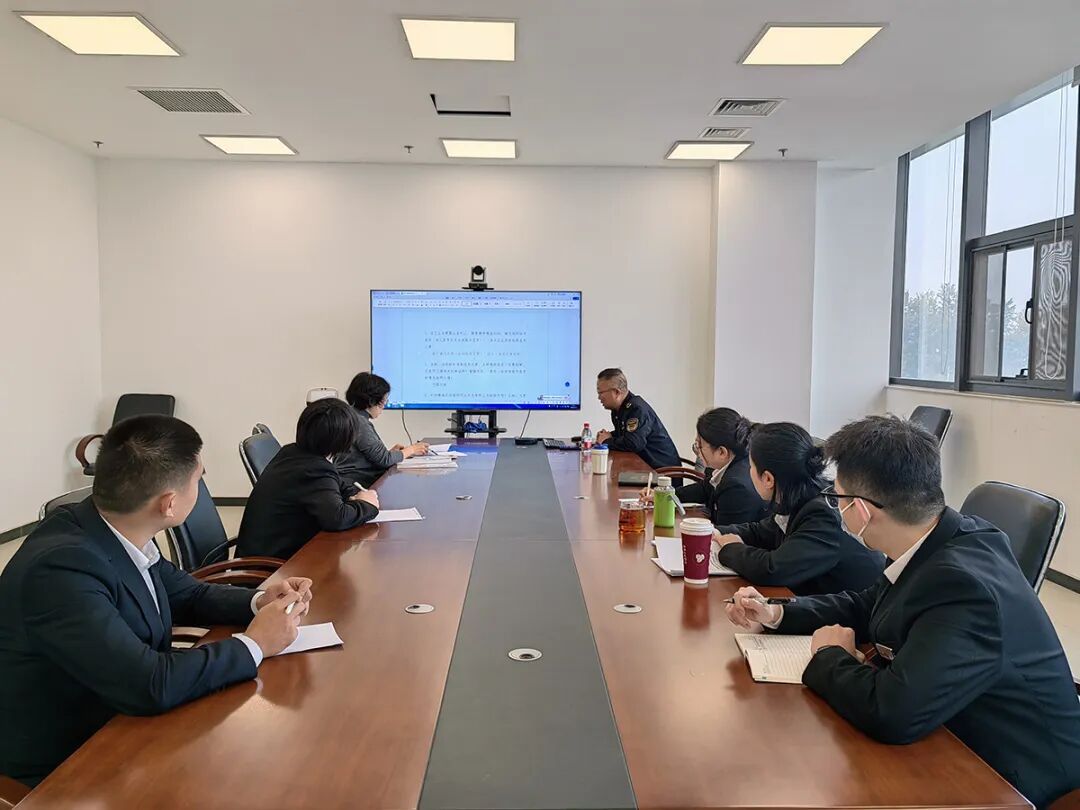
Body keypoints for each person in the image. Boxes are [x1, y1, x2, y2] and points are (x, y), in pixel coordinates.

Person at [726, 416, 1080, 809]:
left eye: (836, 497)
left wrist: (830, 655)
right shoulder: (935, 538)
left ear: (861, 510)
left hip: (1008, 778)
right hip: (947, 727)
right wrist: (776, 613)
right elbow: (866, 604)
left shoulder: (963, 587)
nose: (833, 506)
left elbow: (891, 713)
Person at [0, 415, 313, 786]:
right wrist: (256, 643)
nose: (201, 488)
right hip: (71, 762)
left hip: (123, 716)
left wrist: (258, 602)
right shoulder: (60, 570)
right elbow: (148, 684)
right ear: (169, 504)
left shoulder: (116, 526)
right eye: (198, 479)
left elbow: (188, 592)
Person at [713, 422, 885, 595]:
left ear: (768, 479)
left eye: (751, 466)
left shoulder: (823, 515)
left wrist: (732, 548)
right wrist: (713, 533)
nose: (748, 471)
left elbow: (773, 570)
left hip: (853, 609)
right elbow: (760, 532)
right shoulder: (800, 496)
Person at [237, 398, 380, 559]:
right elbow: (337, 518)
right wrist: (366, 505)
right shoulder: (314, 469)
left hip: (272, 553)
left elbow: (338, 485)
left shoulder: (293, 453)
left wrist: (355, 495)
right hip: (271, 566)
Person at [640, 407, 768, 526]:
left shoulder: (736, 486)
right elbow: (705, 488)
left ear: (722, 452)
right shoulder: (733, 463)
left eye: (699, 446)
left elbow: (726, 535)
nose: (697, 452)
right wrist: (665, 495)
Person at [336, 372, 429, 488]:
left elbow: (376, 457)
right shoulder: (359, 422)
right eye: (384, 401)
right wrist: (411, 450)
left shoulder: (351, 416)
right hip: (358, 485)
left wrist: (390, 453)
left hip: (352, 480)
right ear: (371, 401)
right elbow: (385, 460)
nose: (384, 406)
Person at [594, 368, 680, 469]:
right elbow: (627, 435)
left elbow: (634, 443)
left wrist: (607, 441)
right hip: (644, 467)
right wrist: (610, 435)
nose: (599, 397)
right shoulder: (618, 410)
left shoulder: (637, 409)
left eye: (601, 392)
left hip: (663, 471)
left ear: (616, 392)